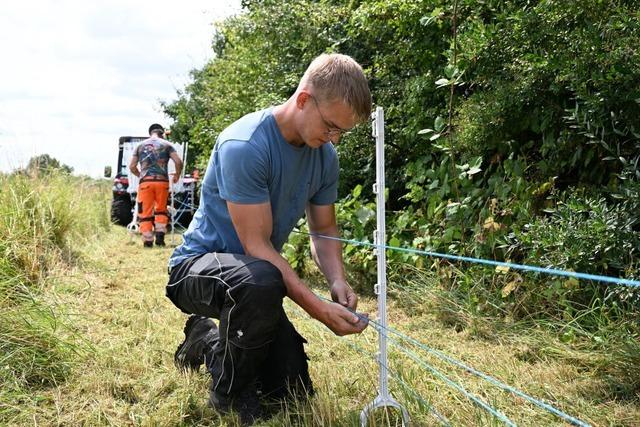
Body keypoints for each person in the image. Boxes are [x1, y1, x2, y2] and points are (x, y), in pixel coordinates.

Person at [166, 53, 371, 425]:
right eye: (330, 126)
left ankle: (206, 337)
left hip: (255, 284)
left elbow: (323, 229)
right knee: (262, 279)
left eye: (343, 131)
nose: (335, 138)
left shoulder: (324, 157)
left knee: (290, 387)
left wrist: (337, 280)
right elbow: (256, 246)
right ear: (304, 99)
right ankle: (227, 394)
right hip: (196, 270)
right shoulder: (244, 145)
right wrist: (318, 309)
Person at [129, 124, 183, 247]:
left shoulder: (140, 146)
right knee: (161, 209)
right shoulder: (167, 145)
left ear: (150, 133)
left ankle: (148, 241)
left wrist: (141, 175)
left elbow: (132, 166)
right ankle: (160, 238)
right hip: (162, 181)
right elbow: (178, 162)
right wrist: (177, 175)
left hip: (146, 182)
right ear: (162, 134)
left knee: (145, 211)